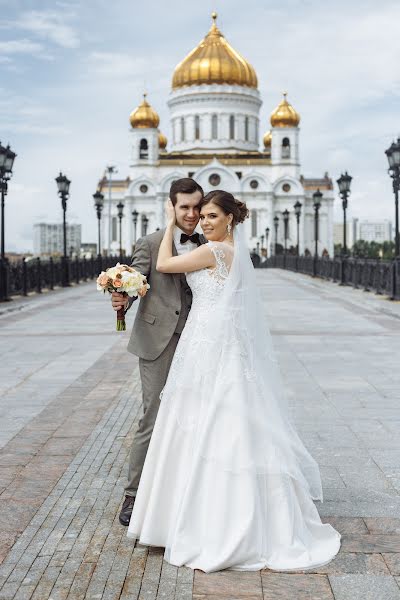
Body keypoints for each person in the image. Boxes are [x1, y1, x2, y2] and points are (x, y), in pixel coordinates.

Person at [127, 190, 341, 572]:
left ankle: (208, 520)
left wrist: (170, 220)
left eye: (211, 216)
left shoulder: (215, 251)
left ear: (229, 219)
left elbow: (163, 262)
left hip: (208, 342)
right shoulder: (233, 252)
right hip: (211, 338)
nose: (204, 221)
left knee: (204, 421)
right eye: (201, 216)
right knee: (214, 419)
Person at [111, 178, 205, 526]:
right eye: (185, 207)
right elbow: (137, 277)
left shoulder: (211, 242)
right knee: (153, 416)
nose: (192, 214)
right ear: (172, 207)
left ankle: (185, 490)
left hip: (200, 339)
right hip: (158, 341)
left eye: (197, 206)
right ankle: (133, 496)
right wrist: (123, 295)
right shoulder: (150, 243)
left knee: (198, 415)